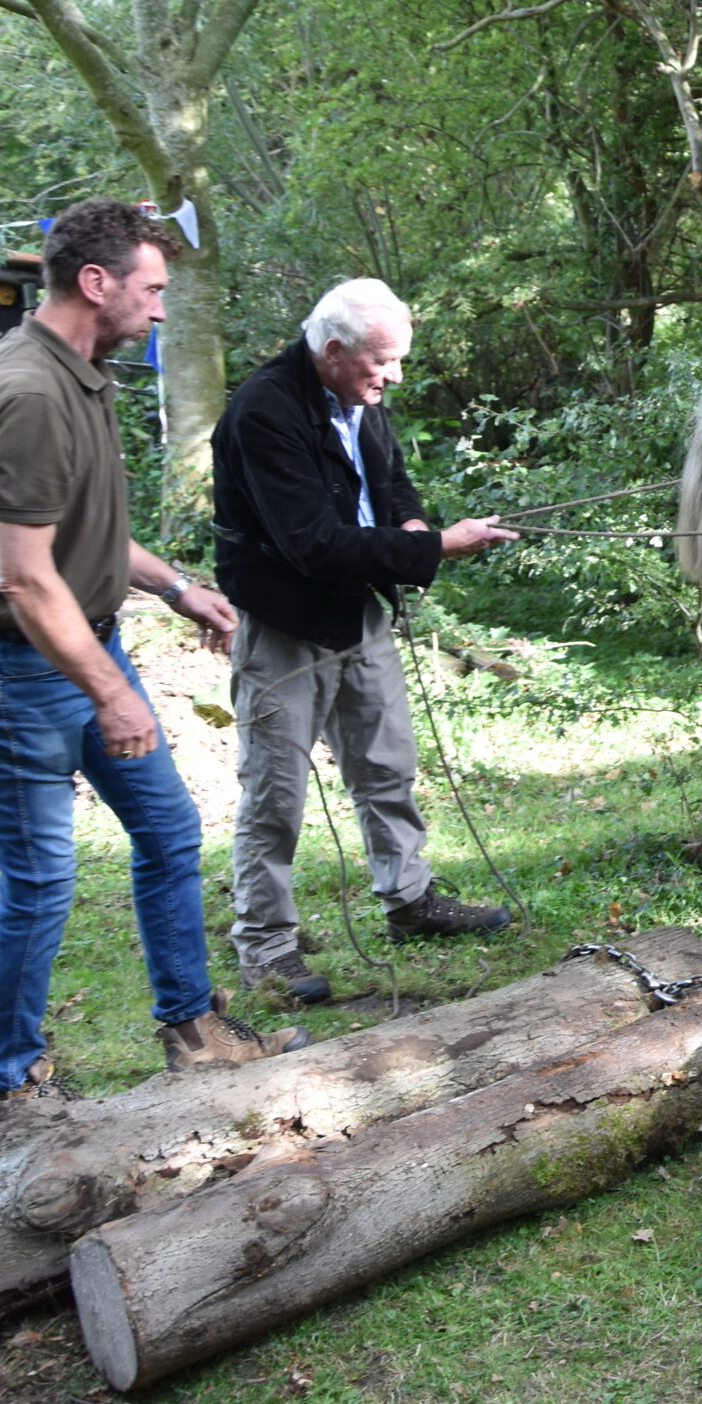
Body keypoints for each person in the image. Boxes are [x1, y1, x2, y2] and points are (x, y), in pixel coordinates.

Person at [0, 199, 310, 1103]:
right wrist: (112, 693)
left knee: (168, 830)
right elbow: (26, 577)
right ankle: (15, 1085)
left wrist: (176, 586)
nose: (158, 310)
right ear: (94, 282)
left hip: (79, 652)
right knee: (41, 882)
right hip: (20, 674)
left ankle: (193, 1027)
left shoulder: (80, 376)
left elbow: (84, 534)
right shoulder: (27, 393)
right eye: (150, 289)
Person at [210, 278, 521, 1005]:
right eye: (383, 362)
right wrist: (437, 547)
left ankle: (410, 901)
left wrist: (412, 523)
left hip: (360, 615)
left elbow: (393, 485)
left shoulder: (361, 401)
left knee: (386, 764)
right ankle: (266, 946)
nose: (395, 377)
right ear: (333, 349)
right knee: (276, 791)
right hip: (286, 623)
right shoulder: (264, 411)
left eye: (398, 361)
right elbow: (313, 544)